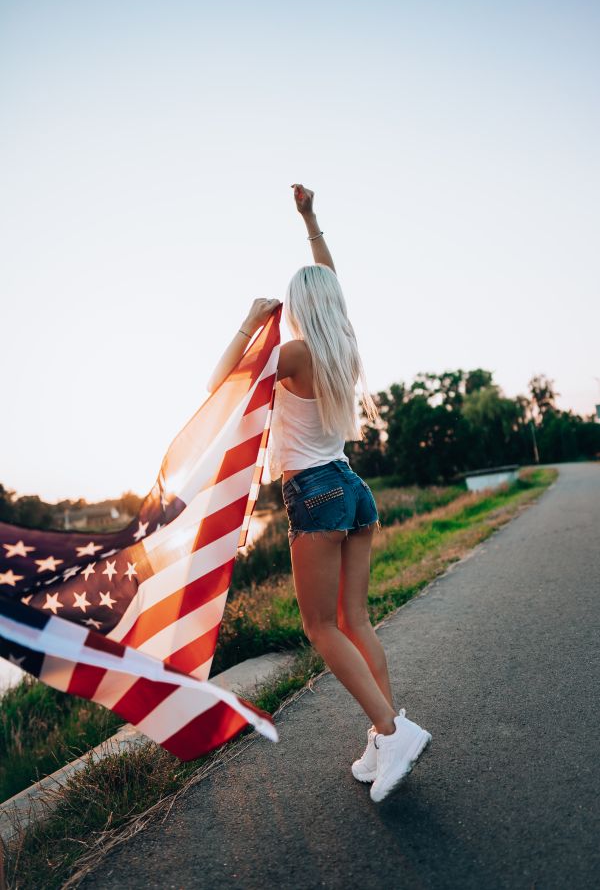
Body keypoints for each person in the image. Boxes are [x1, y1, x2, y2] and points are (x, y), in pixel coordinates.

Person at [207, 184, 431, 802]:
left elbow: (219, 382)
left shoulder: (292, 352)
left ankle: (392, 732)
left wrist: (250, 322)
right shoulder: (342, 347)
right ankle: (386, 735)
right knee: (354, 620)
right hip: (353, 489)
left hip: (315, 493)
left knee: (320, 627)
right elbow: (330, 281)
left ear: (299, 306)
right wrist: (311, 220)